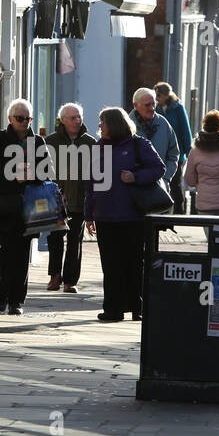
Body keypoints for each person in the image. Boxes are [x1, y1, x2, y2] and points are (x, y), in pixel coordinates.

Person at [85, 106, 164, 322]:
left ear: (114, 124)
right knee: (110, 265)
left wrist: (135, 176)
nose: (99, 126)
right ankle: (113, 309)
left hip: (133, 215)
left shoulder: (138, 144)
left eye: (103, 122)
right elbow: (91, 183)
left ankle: (137, 307)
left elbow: (158, 168)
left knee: (134, 262)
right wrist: (88, 214)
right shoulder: (97, 147)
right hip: (104, 216)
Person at [0, 99, 50, 315]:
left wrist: (29, 176)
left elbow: (46, 171)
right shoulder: (0, 138)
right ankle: (3, 295)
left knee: (21, 254)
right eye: (20, 118)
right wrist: (14, 175)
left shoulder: (37, 141)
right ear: (10, 119)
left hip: (29, 208)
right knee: (6, 251)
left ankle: (16, 301)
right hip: (5, 205)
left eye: (28, 119)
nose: (24, 122)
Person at [44, 103, 97, 292]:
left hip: (80, 200)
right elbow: (44, 171)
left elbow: (96, 174)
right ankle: (55, 276)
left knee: (75, 240)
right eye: (73, 117)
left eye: (79, 116)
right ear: (63, 120)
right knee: (55, 239)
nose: (77, 120)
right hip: (57, 200)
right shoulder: (50, 141)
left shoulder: (90, 143)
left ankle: (70, 281)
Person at [130, 87, 180, 213]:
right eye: (147, 105)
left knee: (157, 228)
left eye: (154, 104)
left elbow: (173, 154)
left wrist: (166, 177)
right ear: (135, 105)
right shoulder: (127, 126)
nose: (152, 108)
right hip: (135, 191)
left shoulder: (163, 124)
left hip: (160, 189)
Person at [184, 110, 219, 215]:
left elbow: (190, 180)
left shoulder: (195, 150)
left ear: (204, 125)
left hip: (204, 205)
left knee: (209, 231)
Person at [155, 82, 192, 213]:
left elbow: (185, 131)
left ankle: (178, 212)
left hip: (177, 153)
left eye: (159, 95)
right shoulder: (156, 110)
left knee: (175, 183)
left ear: (166, 95)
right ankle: (163, 211)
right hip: (160, 152)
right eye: (156, 95)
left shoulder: (178, 108)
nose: (156, 98)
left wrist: (189, 153)